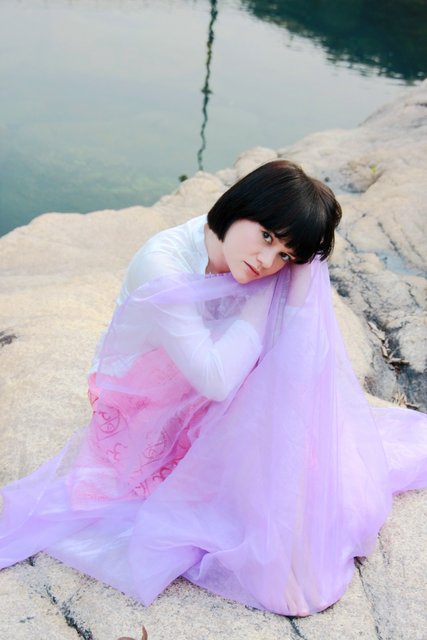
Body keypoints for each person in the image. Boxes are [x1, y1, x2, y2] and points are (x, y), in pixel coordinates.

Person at [0, 160, 426, 618]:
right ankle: (269, 540)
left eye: (286, 255)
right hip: (144, 399)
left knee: (301, 452)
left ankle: (281, 536)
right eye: (267, 236)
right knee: (251, 467)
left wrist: (301, 274)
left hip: (214, 379)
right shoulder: (164, 264)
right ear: (240, 207)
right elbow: (216, 380)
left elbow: (300, 362)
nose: (267, 262)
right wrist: (261, 301)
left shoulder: (256, 262)